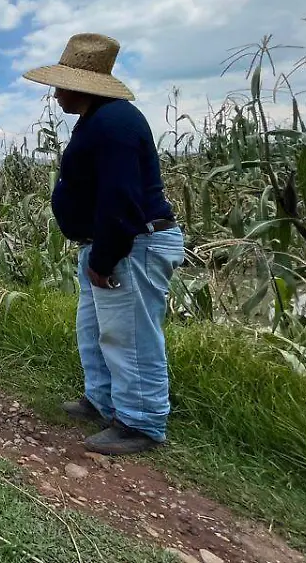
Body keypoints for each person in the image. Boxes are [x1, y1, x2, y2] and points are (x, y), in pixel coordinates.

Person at [22, 33, 185, 456]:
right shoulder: (100, 121)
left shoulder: (113, 124)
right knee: (95, 331)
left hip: (131, 246)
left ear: (82, 85)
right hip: (110, 244)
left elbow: (120, 198)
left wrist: (105, 257)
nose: (55, 93)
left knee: (129, 335)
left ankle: (141, 422)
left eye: (60, 85)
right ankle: (102, 401)